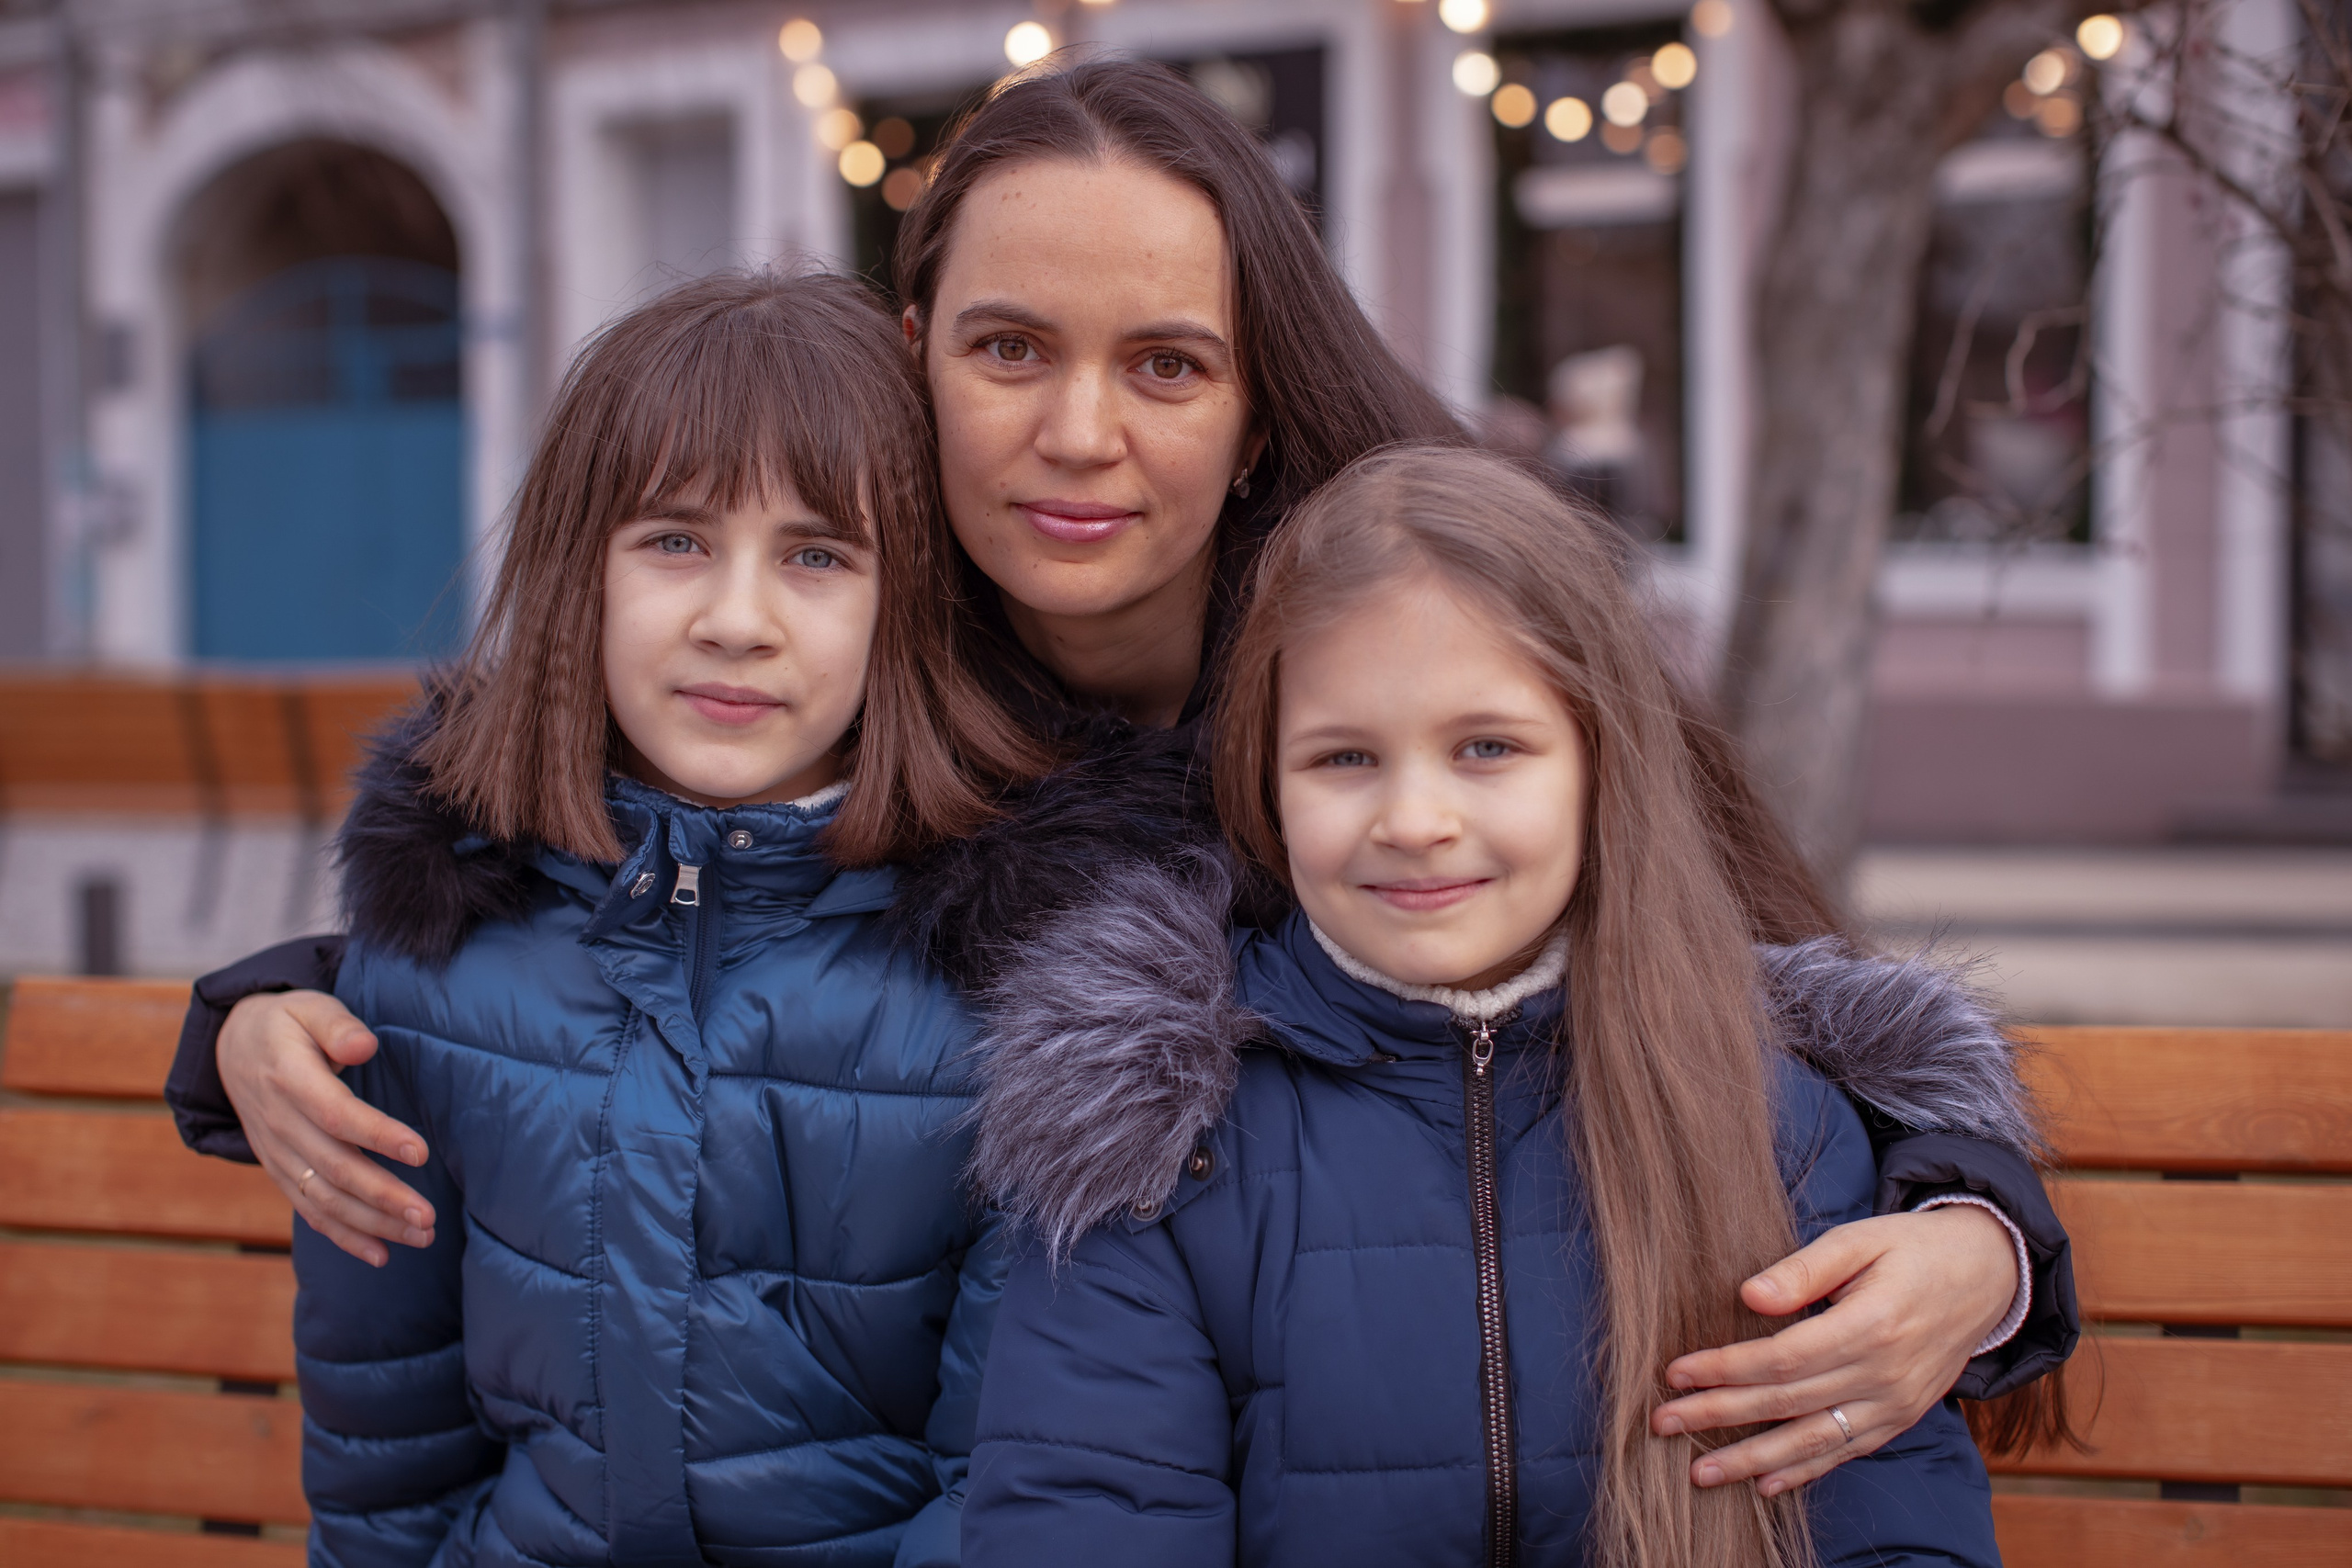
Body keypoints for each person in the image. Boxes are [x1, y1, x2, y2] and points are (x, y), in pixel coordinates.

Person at [165, 57, 2070, 1495]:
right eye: (1007, 348)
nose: (1076, 435)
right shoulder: (830, 675)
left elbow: (1749, 992)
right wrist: (268, 1007)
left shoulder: (1397, 681)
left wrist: (1972, 1240)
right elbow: (596, 910)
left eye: (1165, 365)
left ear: (1252, 408)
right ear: (912, 360)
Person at [961, 445, 2011, 1566]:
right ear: (1265, 782)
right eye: (1345, 757)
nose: (1414, 818)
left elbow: (1892, 1529)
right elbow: (1087, 1516)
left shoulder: (1773, 1117)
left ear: (1599, 763)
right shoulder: (1165, 1141)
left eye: (1487, 748)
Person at [289, 271, 1038, 1567]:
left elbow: (1002, 1482)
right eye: (675, 540)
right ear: (582, 569)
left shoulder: (1001, 984)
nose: (735, 620)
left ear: (905, 600)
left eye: (816, 554)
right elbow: (384, 1443)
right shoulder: (436, 951)